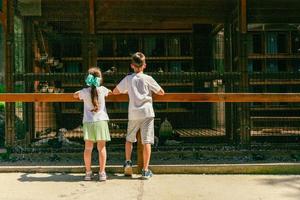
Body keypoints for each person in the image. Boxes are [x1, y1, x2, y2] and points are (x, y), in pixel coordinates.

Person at [113, 52, 165, 179]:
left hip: (133, 113)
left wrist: (128, 90)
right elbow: (161, 92)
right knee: (147, 141)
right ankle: (145, 170)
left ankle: (128, 163)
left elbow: (115, 91)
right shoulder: (148, 78)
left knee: (129, 139)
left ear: (132, 65)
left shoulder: (128, 79)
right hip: (147, 112)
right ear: (144, 65)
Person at [73, 67, 111, 181]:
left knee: (88, 149)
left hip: (88, 122)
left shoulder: (84, 92)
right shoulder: (103, 90)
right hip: (101, 121)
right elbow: (110, 92)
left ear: (88, 79)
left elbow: (75, 95)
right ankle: (102, 173)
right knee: (102, 148)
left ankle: (88, 173)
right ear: (100, 79)